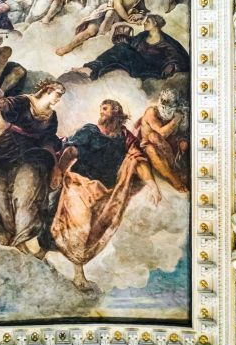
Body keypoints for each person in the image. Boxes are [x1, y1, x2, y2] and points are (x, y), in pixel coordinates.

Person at [49, 99, 161, 290]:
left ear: (116, 112)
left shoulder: (125, 138)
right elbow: (71, 150)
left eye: (105, 109)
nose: (101, 113)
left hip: (105, 192)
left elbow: (137, 160)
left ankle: (72, 269)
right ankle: (78, 275)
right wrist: (59, 170)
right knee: (80, 226)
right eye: (101, 109)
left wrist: (152, 184)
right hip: (79, 184)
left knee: (94, 231)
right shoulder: (89, 131)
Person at [0, 80, 66, 255]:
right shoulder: (24, 101)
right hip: (7, 149)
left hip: (33, 154)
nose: (58, 99)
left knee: (26, 194)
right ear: (47, 91)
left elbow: (48, 140)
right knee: (0, 192)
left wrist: (55, 166)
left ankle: (23, 237)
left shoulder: (51, 116)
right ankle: (6, 231)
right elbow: (2, 105)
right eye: (57, 95)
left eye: (60, 96)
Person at [74, 13, 189, 81]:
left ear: (155, 24)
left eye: (148, 21)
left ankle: (91, 68)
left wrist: (171, 66)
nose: (144, 23)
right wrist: (122, 37)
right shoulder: (143, 35)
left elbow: (178, 59)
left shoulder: (167, 43)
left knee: (122, 48)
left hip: (148, 71)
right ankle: (93, 70)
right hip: (136, 63)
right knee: (120, 49)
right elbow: (132, 43)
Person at [55, 0, 148, 56]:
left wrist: (139, 15)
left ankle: (97, 39)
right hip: (104, 12)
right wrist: (127, 18)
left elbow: (143, 11)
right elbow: (117, 5)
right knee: (90, 31)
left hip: (115, 19)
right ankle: (68, 47)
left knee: (111, 15)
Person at [136, 88, 189, 192]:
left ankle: (178, 170)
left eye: (169, 104)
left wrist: (184, 116)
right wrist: (176, 120)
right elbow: (161, 133)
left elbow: (183, 130)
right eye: (163, 102)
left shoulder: (177, 111)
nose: (165, 106)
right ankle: (173, 178)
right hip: (147, 146)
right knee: (153, 137)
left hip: (168, 146)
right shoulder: (152, 112)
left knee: (184, 144)